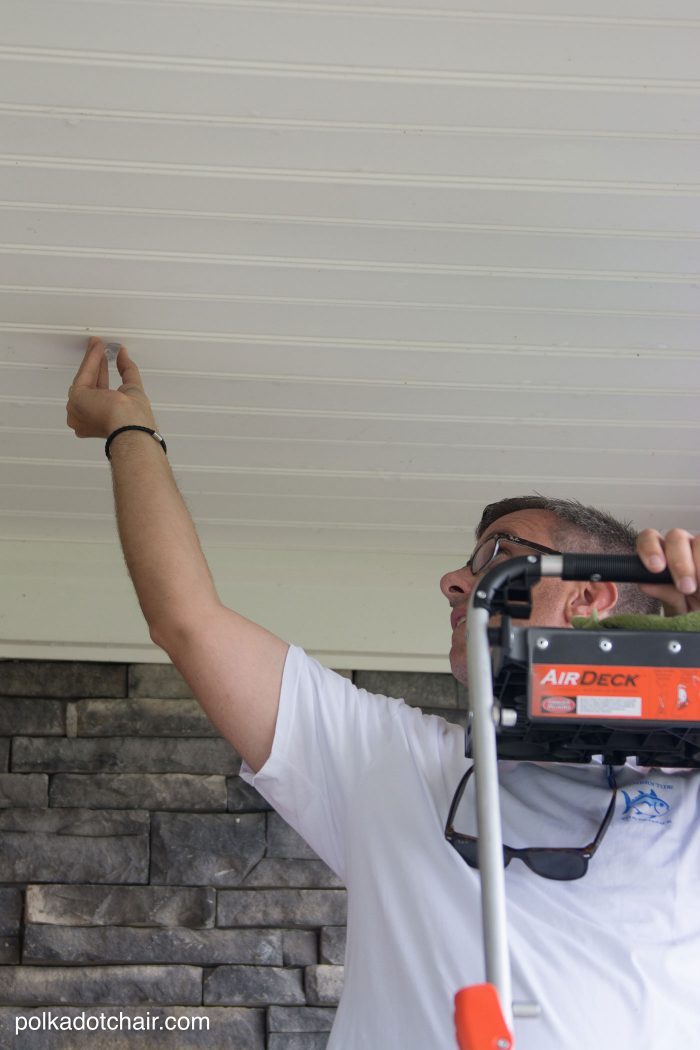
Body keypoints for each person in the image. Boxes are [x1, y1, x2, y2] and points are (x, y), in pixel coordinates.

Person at [67, 338, 700, 1049]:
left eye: (495, 555)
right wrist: (129, 431)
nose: (454, 582)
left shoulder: (686, 796)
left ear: (590, 594)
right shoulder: (397, 763)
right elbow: (188, 620)